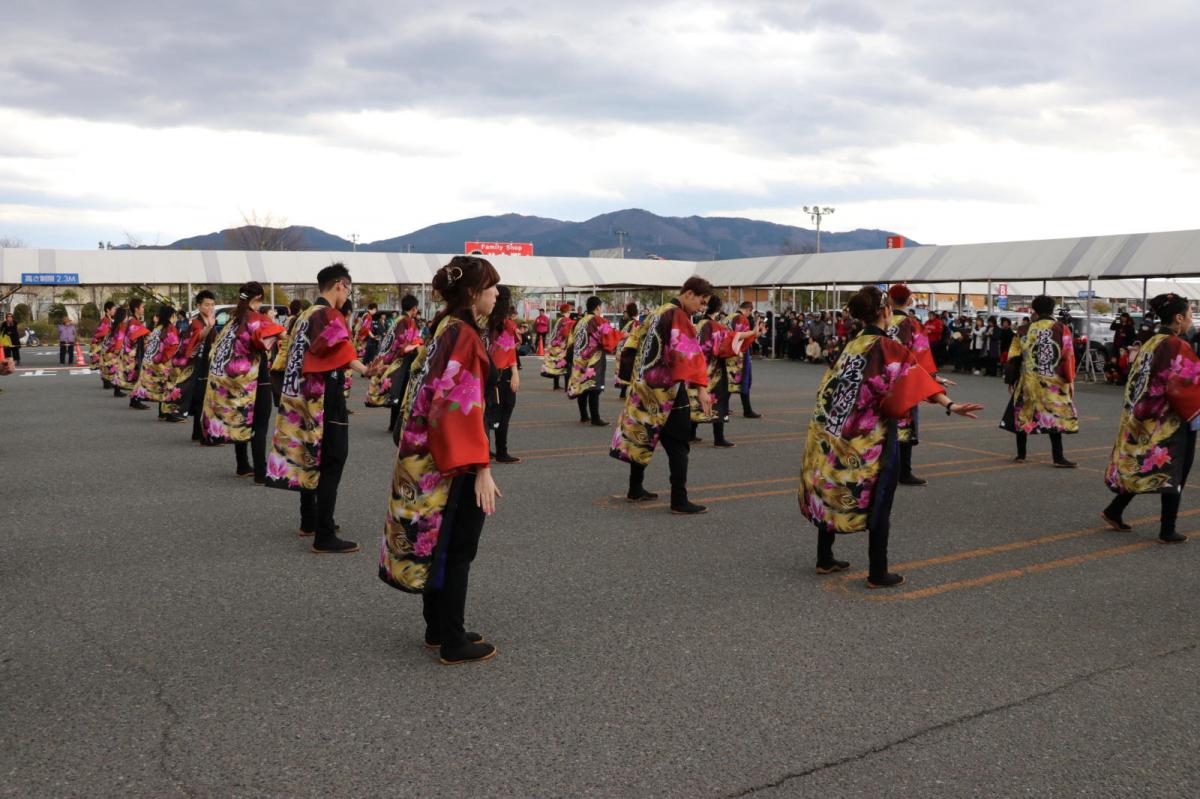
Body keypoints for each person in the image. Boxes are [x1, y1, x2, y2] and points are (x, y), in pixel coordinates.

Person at [800, 286, 983, 588]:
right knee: (880, 498)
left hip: (836, 429)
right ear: (886, 311)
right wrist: (950, 404)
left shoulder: (853, 344)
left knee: (833, 483)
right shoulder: (888, 346)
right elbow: (913, 378)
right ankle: (877, 572)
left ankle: (824, 557)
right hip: (871, 436)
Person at [379, 255, 502, 665]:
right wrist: (481, 466)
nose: (496, 294)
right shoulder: (464, 335)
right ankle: (452, 639)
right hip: (449, 459)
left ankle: (439, 625)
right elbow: (458, 407)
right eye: (491, 288)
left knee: (440, 543)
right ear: (472, 293)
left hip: (423, 452)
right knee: (457, 546)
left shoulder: (444, 328)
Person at [265, 263, 376, 552]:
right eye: (348, 288)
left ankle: (309, 520)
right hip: (323, 397)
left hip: (298, 395)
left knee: (310, 455)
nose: (347, 294)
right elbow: (340, 351)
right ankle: (324, 534)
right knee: (333, 460)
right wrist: (365, 369)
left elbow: (284, 358)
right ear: (340, 284)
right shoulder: (328, 314)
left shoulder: (303, 315)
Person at [1101, 293, 1200, 544]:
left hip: (1143, 415)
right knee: (1172, 470)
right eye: (1189, 314)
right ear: (1179, 318)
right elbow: (1185, 384)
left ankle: (1115, 510)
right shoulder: (1176, 345)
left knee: (1145, 464)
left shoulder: (1150, 341)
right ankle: (1167, 529)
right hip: (1168, 420)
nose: (1191, 319)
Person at [611, 277, 713, 514]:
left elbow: (631, 343)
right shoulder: (677, 315)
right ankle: (679, 500)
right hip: (665, 388)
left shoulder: (658, 312)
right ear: (688, 293)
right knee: (678, 445)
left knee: (642, 435)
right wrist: (701, 387)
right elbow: (687, 352)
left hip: (643, 383)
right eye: (701, 300)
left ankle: (635, 488)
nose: (701, 307)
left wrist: (632, 377)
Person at [201, 282, 285, 482]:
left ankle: (242, 464)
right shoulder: (256, 319)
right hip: (257, 378)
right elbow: (282, 334)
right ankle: (260, 471)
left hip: (230, 379)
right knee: (260, 423)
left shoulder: (233, 321)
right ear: (257, 299)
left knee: (242, 417)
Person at [1000, 295, 1079, 466]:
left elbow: (1014, 356)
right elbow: (1068, 356)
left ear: (1034, 309)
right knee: (1054, 416)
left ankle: (1021, 455)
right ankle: (1058, 458)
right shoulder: (1061, 328)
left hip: (1028, 380)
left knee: (1024, 413)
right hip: (1053, 382)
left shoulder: (1023, 330)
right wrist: (1070, 380)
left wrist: (1011, 380)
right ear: (1052, 310)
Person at [886, 284, 953, 487]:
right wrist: (934, 378)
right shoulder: (911, 324)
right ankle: (904, 472)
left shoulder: (884, 321)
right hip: (905, 381)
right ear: (909, 301)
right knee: (905, 427)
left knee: (881, 424)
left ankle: (881, 471)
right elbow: (921, 355)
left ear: (889, 300)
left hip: (880, 379)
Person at [689, 295, 760, 448]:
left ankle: (691, 432)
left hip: (698, 367)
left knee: (696, 399)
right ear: (718, 309)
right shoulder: (715, 325)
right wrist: (753, 333)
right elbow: (731, 338)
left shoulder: (699, 324)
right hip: (714, 368)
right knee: (719, 400)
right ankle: (718, 438)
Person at [365, 295, 424, 433]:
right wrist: (419, 344)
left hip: (392, 358)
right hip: (403, 360)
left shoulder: (397, 319)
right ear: (414, 309)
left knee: (398, 392)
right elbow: (407, 344)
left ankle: (393, 424)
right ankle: (397, 425)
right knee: (403, 392)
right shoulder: (409, 321)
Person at [169, 291, 219, 435]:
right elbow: (198, 337)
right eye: (206, 305)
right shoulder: (197, 322)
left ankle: (198, 433)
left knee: (201, 398)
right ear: (198, 305)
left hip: (205, 363)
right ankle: (201, 433)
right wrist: (209, 327)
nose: (210, 308)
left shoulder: (208, 320)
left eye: (212, 305)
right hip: (197, 364)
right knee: (200, 398)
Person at [566, 296, 621, 426]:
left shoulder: (578, 322)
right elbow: (609, 337)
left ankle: (584, 416)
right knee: (593, 387)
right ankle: (595, 418)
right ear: (597, 307)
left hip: (579, 358)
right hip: (593, 358)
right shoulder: (598, 320)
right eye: (600, 307)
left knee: (582, 386)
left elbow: (570, 341)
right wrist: (623, 335)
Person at [486, 285, 522, 463]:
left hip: (485, 375)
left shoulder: (484, 322)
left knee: (485, 414)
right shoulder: (507, 325)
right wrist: (515, 373)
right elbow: (511, 353)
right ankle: (502, 451)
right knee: (504, 413)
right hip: (503, 375)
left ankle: (484, 449)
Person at [131, 306, 181, 418]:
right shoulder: (170, 328)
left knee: (160, 387)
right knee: (168, 386)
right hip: (160, 362)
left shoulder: (157, 327)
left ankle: (162, 412)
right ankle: (166, 412)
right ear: (171, 316)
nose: (176, 318)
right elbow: (173, 346)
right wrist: (165, 361)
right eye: (175, 315)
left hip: (149, 360)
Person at [111, 299, 150, 407]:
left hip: (135, 352)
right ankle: (135, 400)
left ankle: (135, 400)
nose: (143, 309)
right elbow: (138, 335)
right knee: (137, 376)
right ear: (136, 309)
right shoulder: (133, 321)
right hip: (133, 354)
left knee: (137, 376)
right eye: (142, 307)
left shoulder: (134, 320)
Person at [730, 302, 762, 418]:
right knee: (745, 382)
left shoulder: (729, 317)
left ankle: (723, 406)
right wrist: (755, 334)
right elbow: (743, 339)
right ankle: (747, 410)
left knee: (729, 381)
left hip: (728, 354)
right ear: (748, 310)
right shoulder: (742, 319)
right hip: (740, 355)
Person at [540, 303, 575, 390]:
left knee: (556, 365)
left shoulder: (559, 320)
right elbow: (566, 333)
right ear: (568, 311)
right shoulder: (567, 321)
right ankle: (567, 387)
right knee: (567, 366)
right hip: (561, 347)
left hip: (553, 345)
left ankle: (556, 385)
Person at [615, 303, 641, 399]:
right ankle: (632, 393)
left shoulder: (626, 322)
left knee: (625, 371)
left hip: (621, 348)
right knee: (633, 371)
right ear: (636, 311)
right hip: (630, 349)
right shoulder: (635, 323)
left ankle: (623, 392)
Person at [90, 301, 117, 385]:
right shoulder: (105, 320)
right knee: (107, 363)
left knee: (106, 364)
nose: (115, 311)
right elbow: (102, 333)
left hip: (105, 345)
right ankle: (107, 382)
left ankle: (107, 382)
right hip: (103, 346)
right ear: (108, 310)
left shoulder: (108, 320)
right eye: (114, 309)